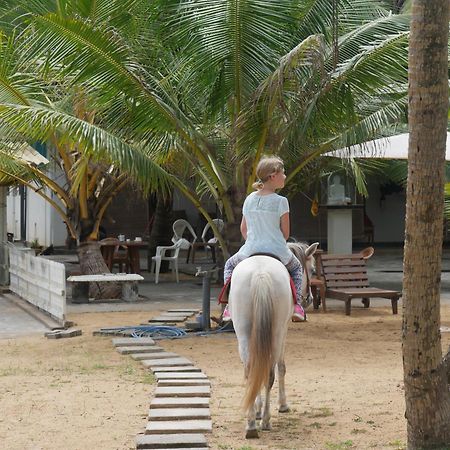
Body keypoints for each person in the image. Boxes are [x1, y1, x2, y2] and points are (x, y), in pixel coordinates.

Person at [222, 155, 306, 322]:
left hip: (250, 249)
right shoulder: (281, 201)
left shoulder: (249, 199)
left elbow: (243, 229)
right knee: (297, 269)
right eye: (283, 173)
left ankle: (229, 306)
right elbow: (286, 233)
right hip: (277, 250)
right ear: (273, 176)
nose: (284, 176)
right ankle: (298, 306)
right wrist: (272, 240)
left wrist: (255, 240)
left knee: (229, 265)